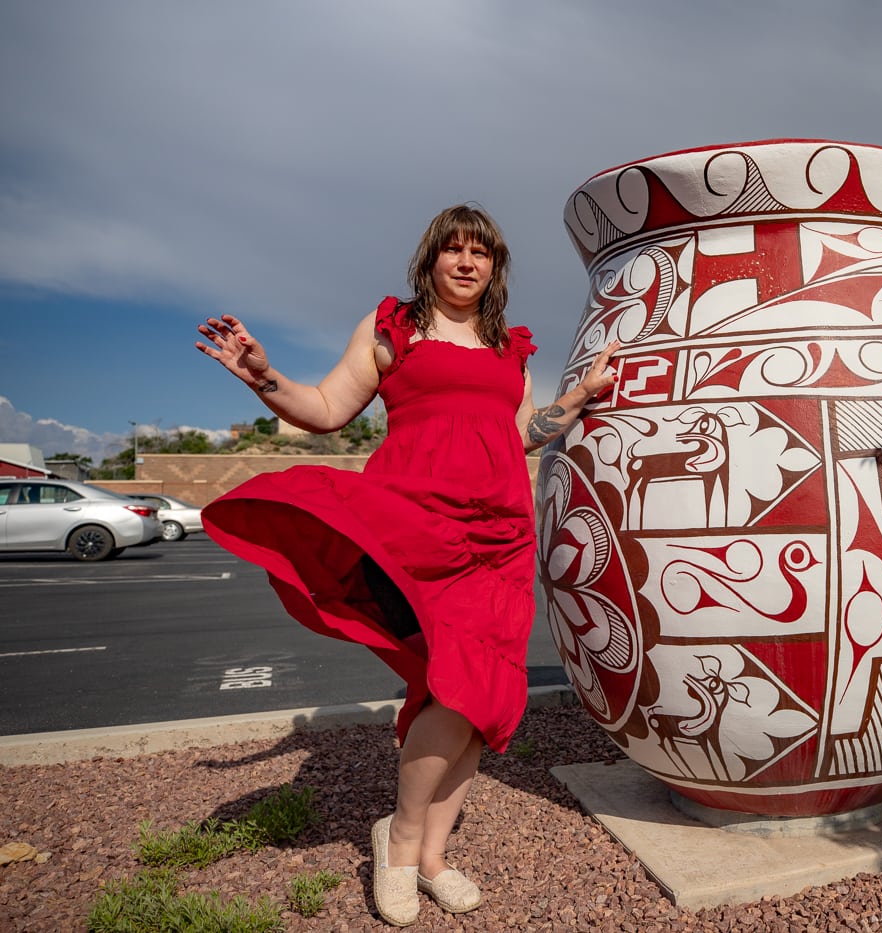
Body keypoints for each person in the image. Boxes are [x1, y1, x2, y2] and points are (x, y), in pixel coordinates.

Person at [194, 203, 620, 927]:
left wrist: (575, 399)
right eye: (451, 249)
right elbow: (327, 407)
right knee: (454, 688)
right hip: (418, 531)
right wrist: (261, 377)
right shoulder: (392, 328)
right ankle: (398, 841)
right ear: (430, 261)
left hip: (501, 538)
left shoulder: (507, 349)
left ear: (495, 266)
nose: (465, 261)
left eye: (479, 252)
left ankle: (431, 858)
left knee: (484, 698)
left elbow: (519, 435)